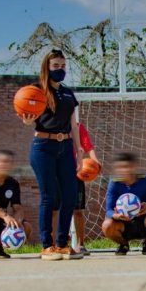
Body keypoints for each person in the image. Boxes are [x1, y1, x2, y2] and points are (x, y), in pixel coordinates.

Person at [19, 49, 84, 261]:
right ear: (47, 67)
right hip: (43, 146)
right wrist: (27, 122)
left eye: (63, 66)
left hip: (65, 147)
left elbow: (74, 125)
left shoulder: (68, 94)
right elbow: (26, 115)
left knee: (70, 195)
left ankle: (62, 243)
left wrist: (80, 151)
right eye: (56, 66)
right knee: (49, 196)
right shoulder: (36, 91)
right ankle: (47, 245)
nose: (60, 69)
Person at [50, 122, 101, 256]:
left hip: (76, 173)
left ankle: (81, 244)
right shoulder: (51, 125)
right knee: (54, 210)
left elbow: (88, 146)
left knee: (77, 210)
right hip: (56, 173)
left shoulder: (78, 127)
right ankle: (51, 245)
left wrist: (95, 161)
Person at [102, 152, 146, 255]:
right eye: (120, 167)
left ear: (134, 167)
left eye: (126, 166)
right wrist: (117, 215)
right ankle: (123, 244)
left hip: (144, 222)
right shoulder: (114, 183)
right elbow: (108, 210)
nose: (124, 170)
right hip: (123, 224)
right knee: (107, 225)